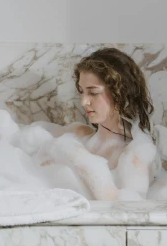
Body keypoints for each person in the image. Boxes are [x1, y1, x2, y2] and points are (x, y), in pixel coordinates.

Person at [36, 47, 159, 200]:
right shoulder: (76, 133)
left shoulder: (133, 157)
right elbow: (29, 142)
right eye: (82, 91)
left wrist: (82, 162)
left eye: (93, 93)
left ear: (120, 93)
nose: (83, 102)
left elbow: (126, 211)